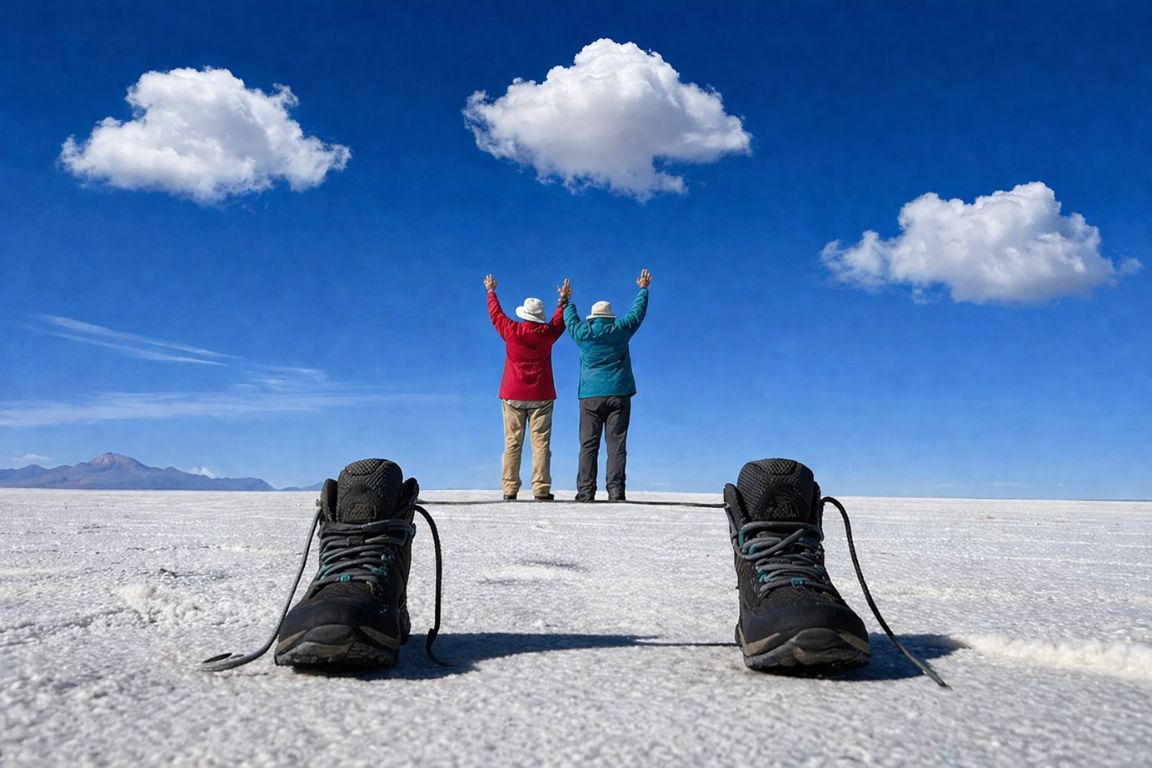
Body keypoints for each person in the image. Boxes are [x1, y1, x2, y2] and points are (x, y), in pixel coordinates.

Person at [562, 268, 650, 502]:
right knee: (616, 445)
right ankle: (616, 492)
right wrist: (643, 290)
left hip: (590, 396)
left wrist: (566, 301)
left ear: (592, 318)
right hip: (618, 394)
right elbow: (636, 314)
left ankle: (585, 492)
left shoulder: (584, 334)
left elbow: (569, 321)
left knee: (588, 446)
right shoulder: (620, 330)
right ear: (610, 317)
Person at [485, 273, 568, 501]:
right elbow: (559, 323)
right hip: (541, 395)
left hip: (512, 394)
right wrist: (563, 301)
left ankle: (510, 489)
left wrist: (491, 292)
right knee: (541, 444)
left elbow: (496, 315)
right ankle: (541, 489)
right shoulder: (547, 334)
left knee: (512, 443)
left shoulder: (512, 331)